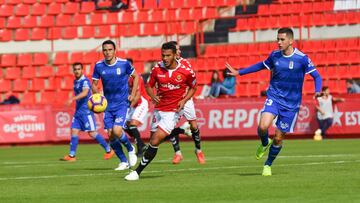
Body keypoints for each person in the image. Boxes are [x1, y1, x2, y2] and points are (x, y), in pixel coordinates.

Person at [226, 27, 322, 176]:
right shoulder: (275, 56)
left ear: (291, 41)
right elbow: (260, 65)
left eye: (282, 39)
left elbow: (317, 76)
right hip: (274, 97)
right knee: (263, 126)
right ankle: (264, 143)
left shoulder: (302, 58)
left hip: (291, 105)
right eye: (277, 39)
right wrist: (240, 72)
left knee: (278, 138)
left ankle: (268, 165)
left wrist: (317, 90)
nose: (278, 42)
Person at [124, 42, 197, 181]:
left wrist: (184, 100)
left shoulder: (186, 71)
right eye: (163, 55)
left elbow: (193, 87)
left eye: (168, 55)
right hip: (159, 109)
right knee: (154, 141)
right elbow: (149, 85)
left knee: (156, 139)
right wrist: (153, 96)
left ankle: (137, 172)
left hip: (174, 111)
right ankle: (182, 130)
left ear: (175, 55)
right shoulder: (157, 69)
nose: (165, 58)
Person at [91, 40, 138, 171]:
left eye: (110, 50)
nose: (107, 52)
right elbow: (94, 84)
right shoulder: (99, 66)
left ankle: (130, 148)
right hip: (107, 106)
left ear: (115, 50)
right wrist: (97, 96)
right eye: (105, 50)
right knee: (111, 135)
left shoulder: (123, 64)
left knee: (117, 130)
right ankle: (123, 161)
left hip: (122, 103)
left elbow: (136, 77)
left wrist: (133, 94)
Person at [60, 62, 114, 162]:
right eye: (75, 69)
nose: (77, 71)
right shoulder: (75, 81)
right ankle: (72, 156)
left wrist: (72, 99)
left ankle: (109, 150)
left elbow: (85, 93)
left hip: (86, 112)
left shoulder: (85, 81)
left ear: (82, 70)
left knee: (92, 133)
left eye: (78, 69)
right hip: (78, 112)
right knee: (74, 131)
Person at [164, 41, 206, 165]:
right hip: (172, 101)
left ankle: (198, 150)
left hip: (185, 100)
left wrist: (185, 98)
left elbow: (192, 83)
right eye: (177, 49)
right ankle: (178, 153)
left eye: (179, 49)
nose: (180, 51)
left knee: (194, 126)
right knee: (169, 127)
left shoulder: (185, 64)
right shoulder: (164, 66)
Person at [124, 58, 148, 157]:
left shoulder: (136, 77)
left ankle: (140, 150)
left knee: (133, 124)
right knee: (124, 125)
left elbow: (137, 95)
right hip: (132, 104)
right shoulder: (124, 78)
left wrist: (129, 106)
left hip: (140, 103)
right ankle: (142, 144)